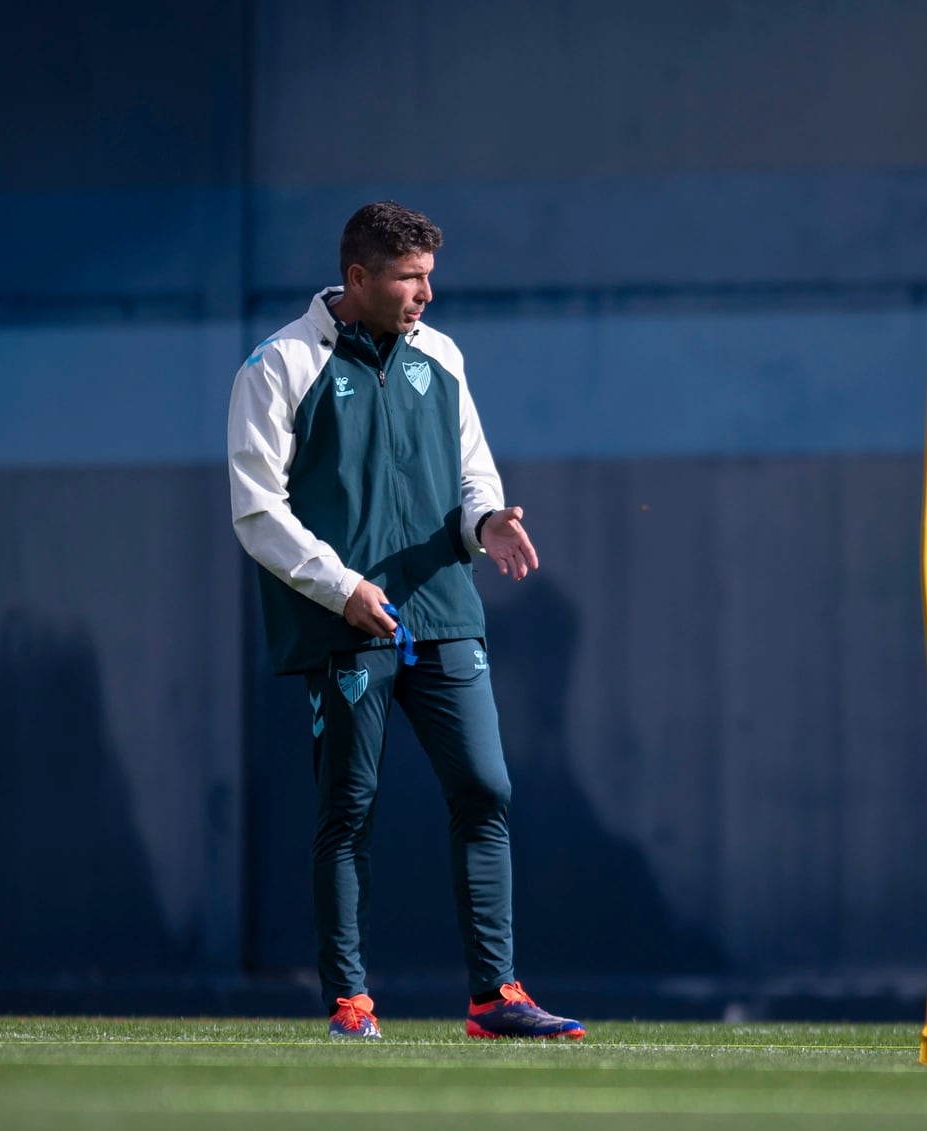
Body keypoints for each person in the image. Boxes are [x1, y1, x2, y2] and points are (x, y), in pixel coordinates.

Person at [226, 201, 585, 1042]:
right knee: (348, 808)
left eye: (429, 276)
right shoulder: (279, 364)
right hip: (347, 621)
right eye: (409, 278)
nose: (426, 293)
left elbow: (473, 474)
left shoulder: (442, 355)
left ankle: (495, 997)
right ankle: (350, 1002)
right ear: (358, 278)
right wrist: (340, 585)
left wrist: (487, 523)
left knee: (485, 787)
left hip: (444, 608)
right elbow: (256, 509)